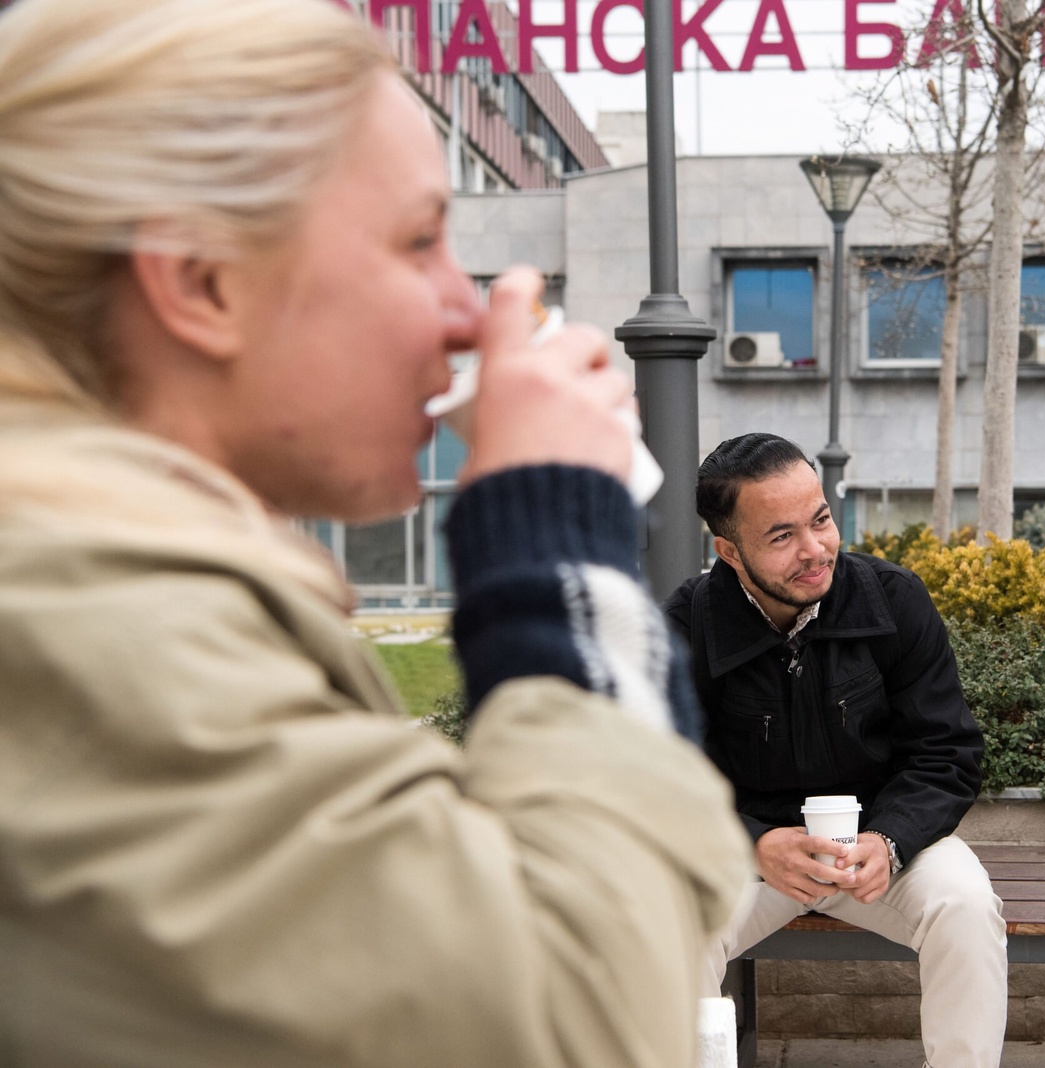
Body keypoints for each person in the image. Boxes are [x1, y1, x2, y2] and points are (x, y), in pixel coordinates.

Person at [0, 1, 749, 1065]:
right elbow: (584, 1020)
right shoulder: (86, 628)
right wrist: (556, 550)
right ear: (202, 283)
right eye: (417, 240)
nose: (465, 305)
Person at [662, 433, 1008, 1068]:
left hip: (879, 843)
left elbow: (947, 751)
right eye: (781, 536)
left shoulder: (894, 599)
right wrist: (752, 843)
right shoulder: (687, 627)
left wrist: (893, 839)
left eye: (820, 520)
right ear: (729, 552)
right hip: (746, 855)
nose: (814, 549)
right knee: (663, 930)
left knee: (965, 904)